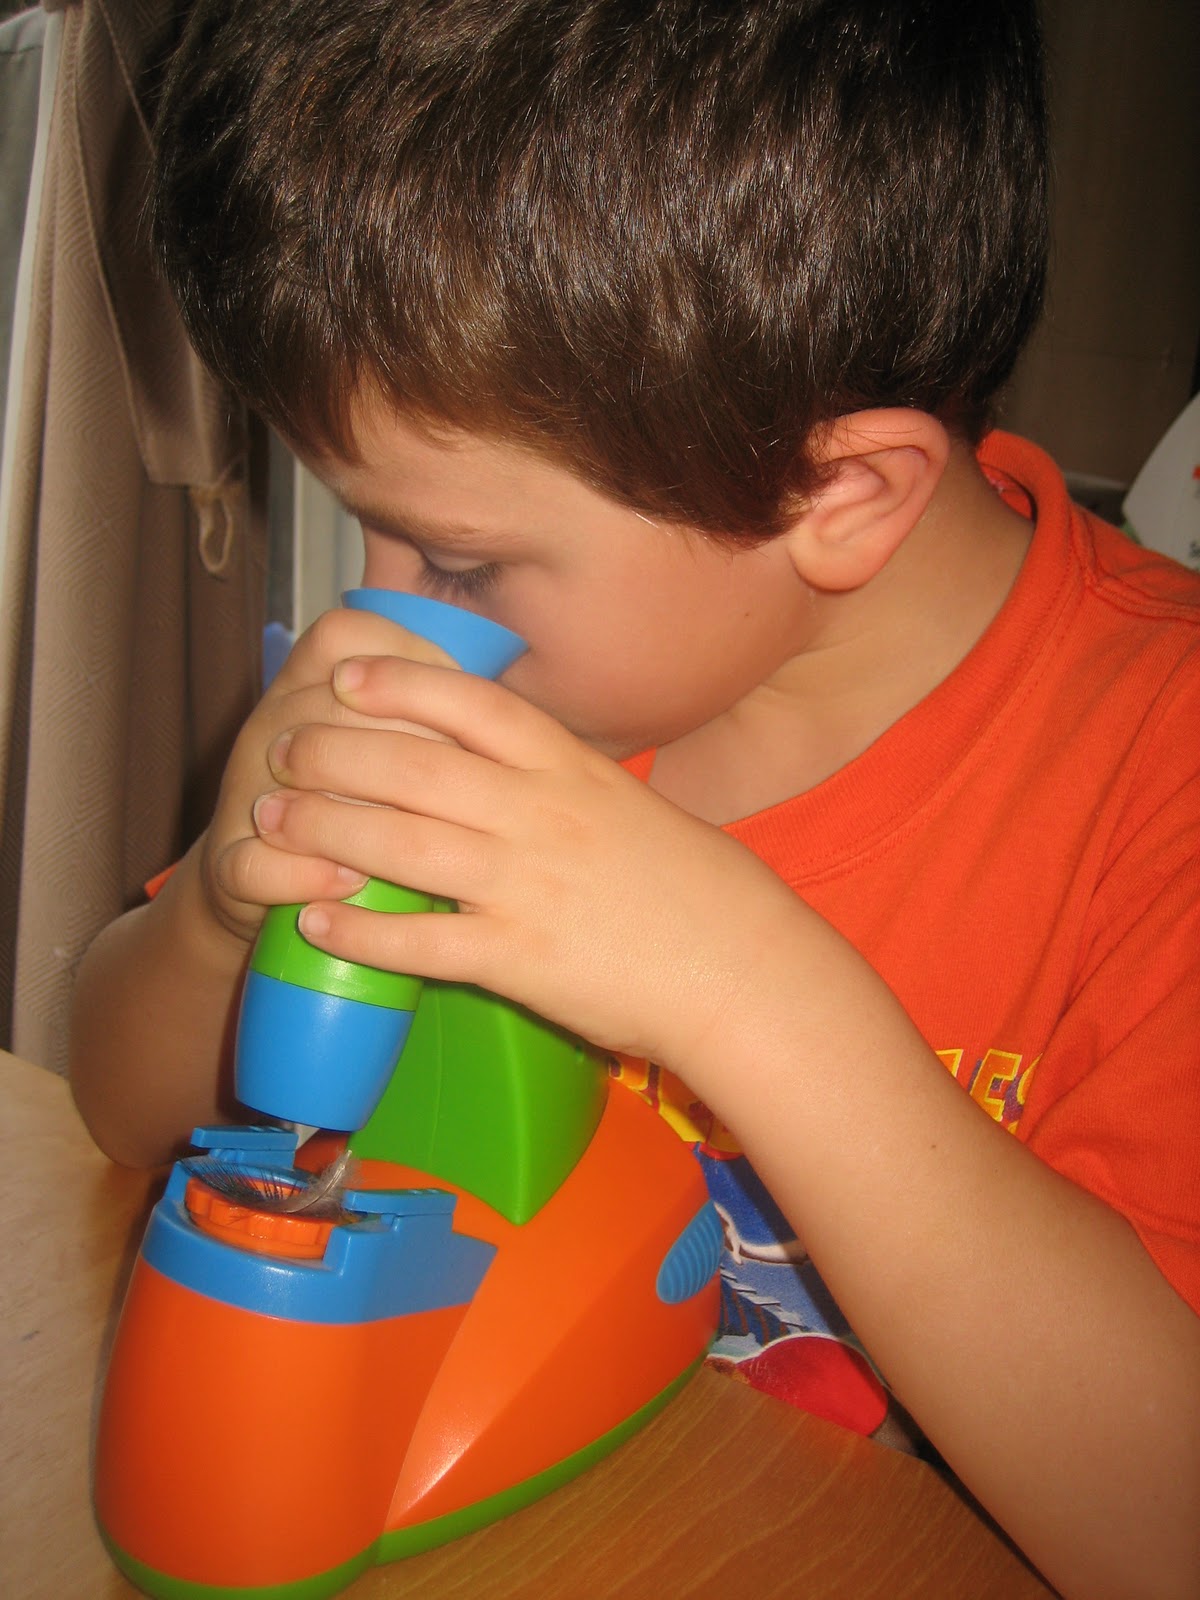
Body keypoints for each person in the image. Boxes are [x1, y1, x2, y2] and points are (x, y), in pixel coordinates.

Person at [68, 3, 1199, 1595]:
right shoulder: (530, 690)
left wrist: (743, 991)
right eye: (369, 526)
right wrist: (217, 912)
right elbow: (122, 1113)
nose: (383, 619)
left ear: (837, 496)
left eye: (459, 560)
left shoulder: (1159, 784)